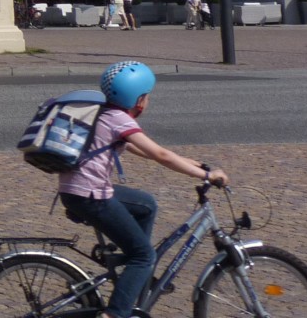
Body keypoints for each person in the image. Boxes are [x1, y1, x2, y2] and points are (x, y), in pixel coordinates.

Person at [58, 61, 228, 318]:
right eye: (147, 95)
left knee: (145, 204)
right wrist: (206, 175)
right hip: (90, 196)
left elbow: (140, 148)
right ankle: (116, 311)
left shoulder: (104, 113)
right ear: (138, 99)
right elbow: (161, 155)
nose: (148, 100)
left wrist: (185, 161)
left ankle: (136, 276)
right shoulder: (118, 119)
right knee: (144, 256)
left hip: (76, 191)